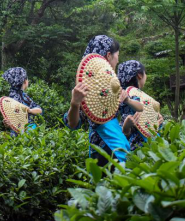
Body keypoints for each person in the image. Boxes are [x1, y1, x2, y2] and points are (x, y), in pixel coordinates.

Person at [64, 35, 142, 165]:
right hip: (104, 151)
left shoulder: (113, 86)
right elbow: (72, 124)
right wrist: (75, 103)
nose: (117, 61)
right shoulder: (88, 89)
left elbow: (139, 107)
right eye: (117, 56)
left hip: (117, 146)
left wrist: (126, 99)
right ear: (108, 56)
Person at [117, 60, 163, 150]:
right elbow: (140, 109)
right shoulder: (132, 95)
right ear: (140, 75)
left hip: (136, 146)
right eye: (145, 73)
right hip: (143, 145)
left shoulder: (124, 94)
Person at [2, 67, 43, 137]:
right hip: (27, 135)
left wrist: (29, 110)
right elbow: (40, 111)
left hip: (16, 136)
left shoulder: (12, 97)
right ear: (25, 81)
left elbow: (39, 110)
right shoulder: (19, 97)